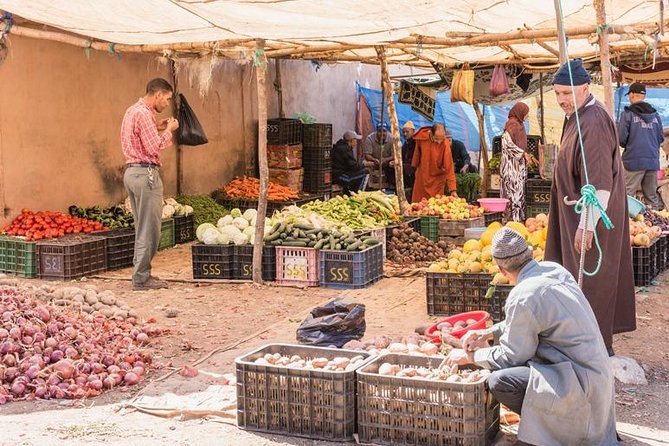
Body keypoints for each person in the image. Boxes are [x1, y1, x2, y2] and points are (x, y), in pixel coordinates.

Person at [444, 228, 618, 446]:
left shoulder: (524, 294)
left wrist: (471, 356)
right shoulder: (554, 270)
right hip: (597, 383)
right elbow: (533, 318)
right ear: (530, 254)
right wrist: (488, 332)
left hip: (581, 389)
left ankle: (554, 431)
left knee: (500, 380)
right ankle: (549, 424)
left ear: (501, 269)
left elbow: (511, 357)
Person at [545, 59, 635, 355]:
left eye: (567, 93)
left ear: (585, 88)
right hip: (576, 216)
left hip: (591, 221)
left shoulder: (593, 120)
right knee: (576, 282)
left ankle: (593, 353)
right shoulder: (577, 116)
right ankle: (581, 344)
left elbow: (598, 184)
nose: (561, 100)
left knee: (591, 284)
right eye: (557, 94)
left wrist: (587, 224)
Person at [121, 78, 179, 290]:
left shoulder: (132, 111)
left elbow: (140, 137)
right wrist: (168, 131)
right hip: (146, 174)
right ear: (158, 95)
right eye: (167, 99)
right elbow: (153, 147)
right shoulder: (144, 114)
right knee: (151, 229)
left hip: (132, 173)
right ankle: (141, 277)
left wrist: (158, 126)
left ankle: (141, 273)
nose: (167, 104)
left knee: (141, 226)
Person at [618, 82, 664, 210]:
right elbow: (660, 138)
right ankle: (656, 224)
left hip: (633, 161)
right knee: (651, 196)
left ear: (632, 95)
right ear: (643, 96)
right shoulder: (656, 116)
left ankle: (629, 226)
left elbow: (621, 139)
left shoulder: (627, 114)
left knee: (627, 196)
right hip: (652, 161)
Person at [500, 103, 533, 222]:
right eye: (526, 112)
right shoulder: (512, 124)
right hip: (511, 167)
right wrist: (522, 154)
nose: (527, 115)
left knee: (518, 194)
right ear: (520, 112)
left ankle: (517, 220)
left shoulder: (520, 125)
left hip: (518, 167)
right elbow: (507, 144)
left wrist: (527, 155)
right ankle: (512, 222)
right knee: (513, 194)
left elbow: (521, 144)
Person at [411, 123, 457, 202]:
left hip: (437, 180)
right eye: (436, 139)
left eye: (441, 139)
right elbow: (416, 155)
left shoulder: (445, 143)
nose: (439, 142)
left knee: (435, 205)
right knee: (417, 204)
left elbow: (449, 167)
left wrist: (452, 189)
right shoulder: (421, 138)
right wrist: (414, 166)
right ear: (431, 134)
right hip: (422, 177)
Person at [388, 121, 416, 190]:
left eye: (407, 132)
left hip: (414, 167)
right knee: (389, 166)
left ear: (413, 132)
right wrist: (396, 162)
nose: (405, 134)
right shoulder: (405, 144)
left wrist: (401, 164)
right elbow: (402, 157)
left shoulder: (416, 143)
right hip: (405, 165)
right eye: (403, 132)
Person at [364, 124, 393, 189]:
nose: (382, 133)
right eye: (380, 131)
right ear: (376, 131)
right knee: (366, 165)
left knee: (394, 164)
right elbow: (367, 155)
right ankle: (370, 186)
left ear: (387, 131)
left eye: (384, 131)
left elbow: (394, 155)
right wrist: (374, 160)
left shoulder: (392, 139)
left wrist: (385, 159)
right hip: (374, 161)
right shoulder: (370, 138)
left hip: (387, 162)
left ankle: (392, 185)